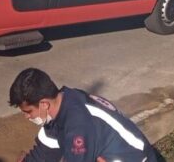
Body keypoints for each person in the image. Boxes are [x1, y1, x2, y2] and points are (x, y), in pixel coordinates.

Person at [9, 68, 158, 162]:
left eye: (28, 111)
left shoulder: (78, 125)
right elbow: (44, 154)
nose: (26, 117)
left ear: (44, 104)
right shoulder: (62, 102)